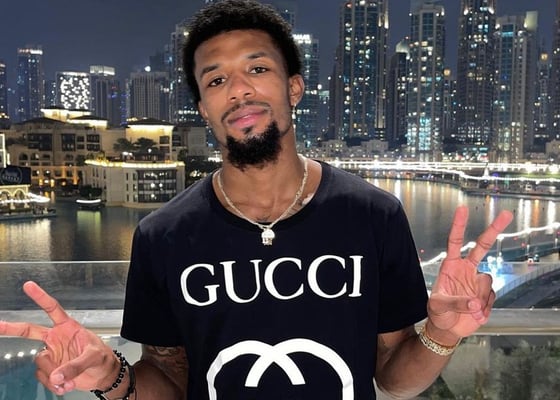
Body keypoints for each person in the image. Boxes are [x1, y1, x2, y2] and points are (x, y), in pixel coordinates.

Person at [0, 1, 513, 399]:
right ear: (204, 107)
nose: (239, 90)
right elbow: (169, 383)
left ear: (295, 87)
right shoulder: (164, 236)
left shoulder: (372, 215)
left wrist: (443, 333)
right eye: (217, 79)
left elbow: (395, 379)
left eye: (258, 69)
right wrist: (111, 377)